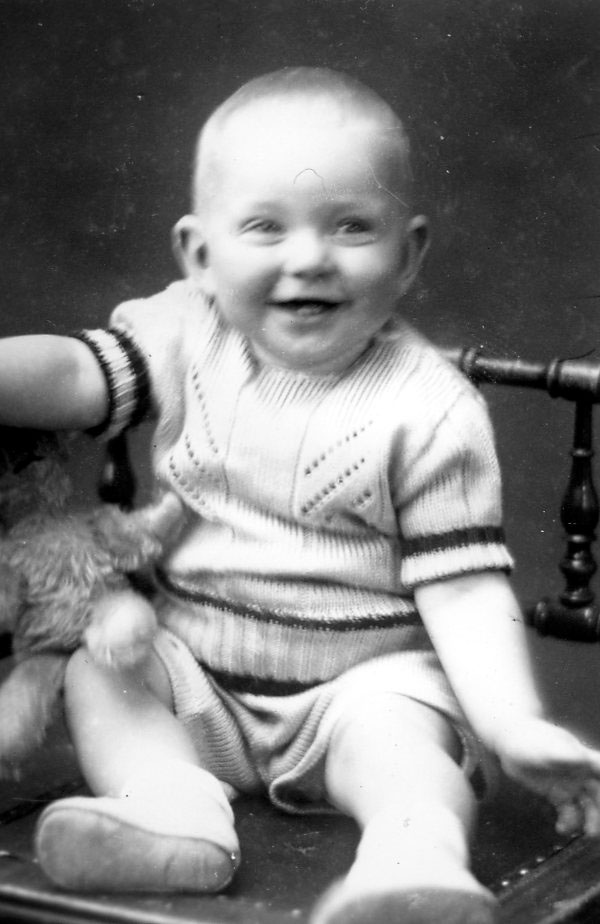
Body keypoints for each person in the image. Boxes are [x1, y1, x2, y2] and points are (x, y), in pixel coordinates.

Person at [2, 66, 600, 924]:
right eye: (264, 227)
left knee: (402, 743)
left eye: (352, 225)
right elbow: (73, 374)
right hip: (194, 676)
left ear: (408, 254)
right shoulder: (184, 332)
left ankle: (413, 855)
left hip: (356, 694)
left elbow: (467, 588)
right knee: (101, 673)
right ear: (200, 256)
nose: (310, 257)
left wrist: (512, 724)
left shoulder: (431, 409)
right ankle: (175, 809)